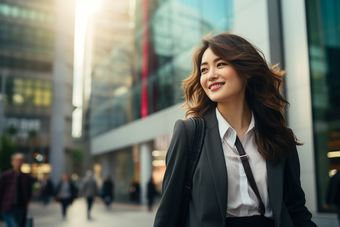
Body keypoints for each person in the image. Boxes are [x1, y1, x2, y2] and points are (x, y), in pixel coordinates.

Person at [153, 33, 317, 227]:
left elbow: (296, 209)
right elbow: (169, 212)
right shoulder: (189, 132)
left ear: (246, 70)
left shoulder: (279, 136)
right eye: (204, 70)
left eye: (220, 64)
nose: (210, 75)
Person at [0, 153, 33, 227]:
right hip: (8, 207)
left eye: (21, 160)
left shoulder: (27, 177)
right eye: (17, 160)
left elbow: (29, 192)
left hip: (21, 207)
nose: (19, 162)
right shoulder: (6, 176)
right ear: (12, 162)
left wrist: (27, 201)